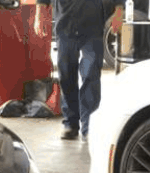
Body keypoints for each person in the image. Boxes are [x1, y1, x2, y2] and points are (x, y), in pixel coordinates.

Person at [34, 0, 123, 141]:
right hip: (65, 24)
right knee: (66, 74)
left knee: (90, 73)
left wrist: (119, 10)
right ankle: (70, 123)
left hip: (93, 26)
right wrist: (39, 15)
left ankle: (89, 126)